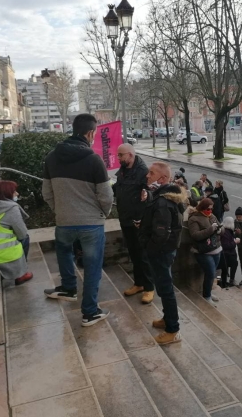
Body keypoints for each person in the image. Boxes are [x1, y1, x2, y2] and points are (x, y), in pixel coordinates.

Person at [42, 114, 114, 328]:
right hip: (91, 223)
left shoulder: (51, 157)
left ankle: (68, 288)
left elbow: (46, 192)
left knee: (64, 252)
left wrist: (61, 211)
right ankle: (90, 312)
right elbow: (106, 196)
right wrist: (103, 213)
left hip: (64, 221)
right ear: (90, 133)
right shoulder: (93, 159)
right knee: (92, 267)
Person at [139, 161, 187, 345]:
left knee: (166, 290)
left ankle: (172, 330)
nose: (147, 176)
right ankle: (168, 319)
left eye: (151, 173)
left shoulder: (163, 202)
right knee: (163, 288)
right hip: (164, 251)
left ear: (163, 178)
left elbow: (161, 233)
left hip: (160, 252)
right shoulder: (164, 197)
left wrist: (148, 247)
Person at [113, 144, 154, 304]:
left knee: (143, 255)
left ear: (130, 155)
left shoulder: (143, 171)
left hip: (139, 221)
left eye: (121, 155)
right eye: (118, 155)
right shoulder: (124, 170)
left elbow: (151, 191)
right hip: (126, 219)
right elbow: (119, 188)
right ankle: (139, 284)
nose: (118, 158)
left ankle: (149, 287)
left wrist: (148, 195)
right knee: (134, 254)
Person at [188, 198, 223, 304]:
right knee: (211, 273)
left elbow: (220, 227)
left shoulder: (212, 216)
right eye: (208, 209)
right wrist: (210, 229)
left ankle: (208, 292)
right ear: (202, 208)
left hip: (216, 249)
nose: (210, 211)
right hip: (203, 251)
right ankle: (206, 296)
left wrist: (221, 230)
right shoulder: (194, 219)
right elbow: (195, 235)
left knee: (211, 274)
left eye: (212, 209)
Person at [219, 216, 239, 288]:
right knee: (233, 264)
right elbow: (226, 245)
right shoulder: (226, 233)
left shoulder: (226, 231)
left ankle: (224, 282)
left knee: (225, 268)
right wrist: (235, 242)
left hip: (226, 254)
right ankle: (230, 280)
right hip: (228, 254)